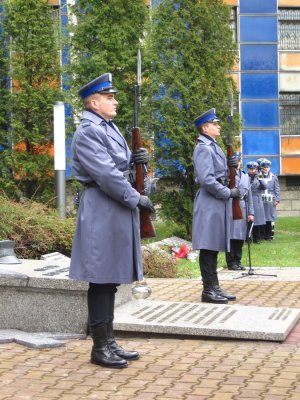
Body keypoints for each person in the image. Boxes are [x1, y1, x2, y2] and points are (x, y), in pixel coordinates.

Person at [69, 73, 154, 369]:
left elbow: (117, 166)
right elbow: (105, 174)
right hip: (103, 208)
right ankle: (99, 347)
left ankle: (109, 340)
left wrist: (136, 162)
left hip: (114, 209)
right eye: (109, 97)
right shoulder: (88, 131)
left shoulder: (108, 127)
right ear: (94, 102)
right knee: (101, 280)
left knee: (110, 281)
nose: (115, 101)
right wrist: (135, 198)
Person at [192, 108, 238, 304]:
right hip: (211, 201)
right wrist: (227, 192)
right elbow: (206, 179)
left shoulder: (213, 146)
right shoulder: (204, 147)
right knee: (208, 246)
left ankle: (214, 286)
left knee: (214, 246)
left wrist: (232, 165)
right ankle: (208, 289)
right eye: (214, 124)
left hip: (216, 202)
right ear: (205, 128)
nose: (218, 126)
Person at [226, 152, 254, 270]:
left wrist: (251, 212)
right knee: (231, 235)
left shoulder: (245, 175)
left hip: (242, 207)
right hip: (230, 206)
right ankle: (231, 262)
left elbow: (249, 195)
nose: (237, 162)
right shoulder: (227, 174)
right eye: (234, 160)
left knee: (240, 236)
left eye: (238, 160)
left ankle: (238, 260)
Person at [246, 161, 267, 243]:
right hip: (248, 200)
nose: (252, 170)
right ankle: (248, 238)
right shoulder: (245, 176)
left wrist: (260, 177)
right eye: (251, 169)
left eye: (254, 169)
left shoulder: (259, 176)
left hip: (257, 200)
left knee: (257, 221)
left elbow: (265, 187)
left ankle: (257, 238)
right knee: (248, 220)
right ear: (248, 169)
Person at [260, 159, 281, 240]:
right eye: (264, 167)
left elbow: (277, 189)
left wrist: (277, 199)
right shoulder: (259, 176)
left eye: (267, 167)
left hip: (270, 199)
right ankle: (261, 235)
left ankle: (269, 235)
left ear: (269, 167)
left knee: (270, 217)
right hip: (261, 199)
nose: (266, 168)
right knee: (261, 217)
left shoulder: (273, 177)